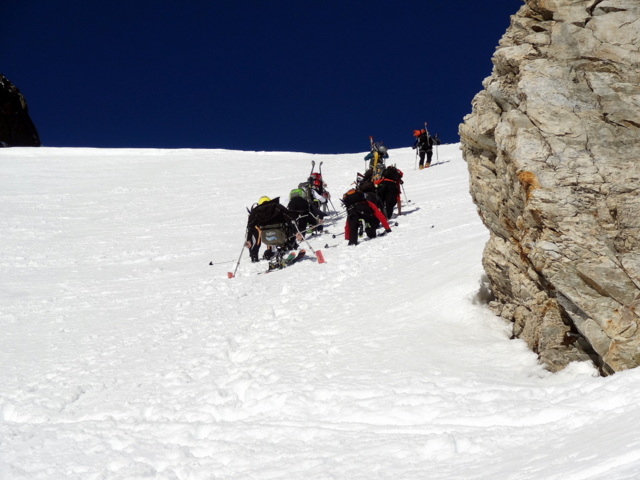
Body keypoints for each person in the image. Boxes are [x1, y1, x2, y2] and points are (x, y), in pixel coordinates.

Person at [245, 196, 302, 263]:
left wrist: (248, 239)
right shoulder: (277, 207)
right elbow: (290, 217)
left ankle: (270, 253)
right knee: (287, 225)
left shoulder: (256, 212)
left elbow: (250, 226)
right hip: (280, 236)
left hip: (266, 239)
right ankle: (290, 245)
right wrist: (296, 232)